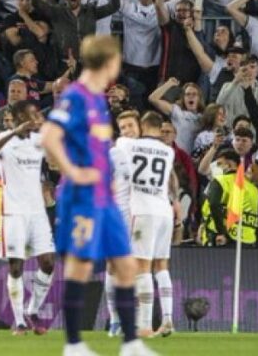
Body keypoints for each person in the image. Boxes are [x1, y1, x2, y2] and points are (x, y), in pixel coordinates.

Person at [40, 35, 153, 356]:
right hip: (82, 197)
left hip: (106, 198)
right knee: (80, 266)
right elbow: (49, 136)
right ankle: (74, 345)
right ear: (110, 62)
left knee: (126, 266)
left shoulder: (98, 100)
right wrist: (72, 172)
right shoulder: (75, 96)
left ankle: (131, 344)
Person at [0, 100, 56, 336]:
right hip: (13, 212)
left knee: (48, 263)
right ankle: (19, 321)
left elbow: (56, 159)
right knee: (16, 267)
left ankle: (32, 310)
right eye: (30, 114)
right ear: (16, 116)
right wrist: (13, 132)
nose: (34, 118)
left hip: (37, 212)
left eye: (36, 114)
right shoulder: (3, 139)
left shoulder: (39, 141)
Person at [112, 111, 179, 338]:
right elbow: (171, 179)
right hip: (165, 211)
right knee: (161, 266)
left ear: (141, 125)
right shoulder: (169, 151)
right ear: (161, 130)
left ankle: (145, 325)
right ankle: (168, 318)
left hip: (142, 211)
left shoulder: (127, 145)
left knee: (142, 267)